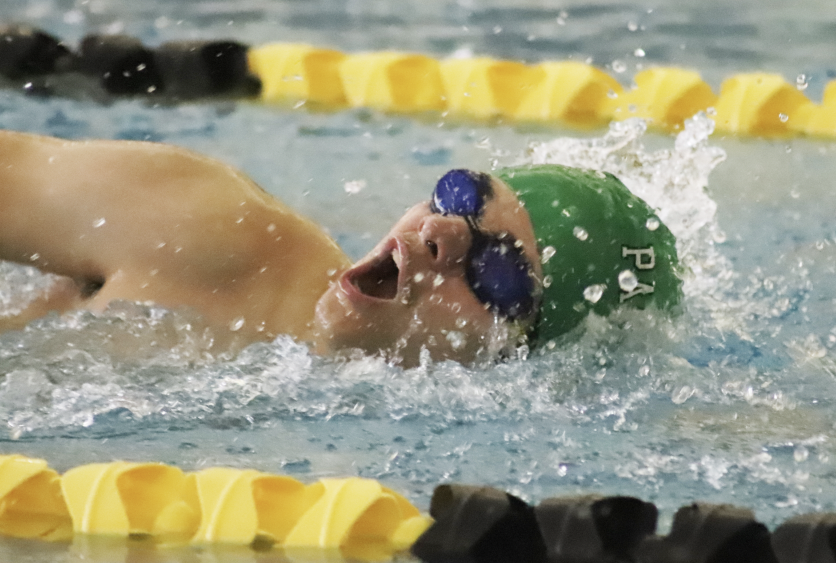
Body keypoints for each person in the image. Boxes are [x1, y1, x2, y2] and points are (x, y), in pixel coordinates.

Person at [0, 129, 682, 366]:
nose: (437, 233)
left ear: (521, 357)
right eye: (458, 197)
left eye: (496, 272)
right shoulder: (204, 225)